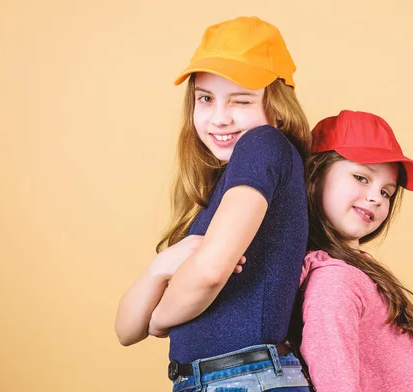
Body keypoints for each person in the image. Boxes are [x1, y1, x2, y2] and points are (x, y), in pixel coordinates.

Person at [115, 16, 312, 391]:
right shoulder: (225, 184)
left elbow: (207, 274)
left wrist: (158, 319)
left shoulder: (263, 144)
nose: (219, 118)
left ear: (278, 108)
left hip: (243, 378)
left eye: (241, 100)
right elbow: (125, 330)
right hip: (228, 379)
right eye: (205, 98)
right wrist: (159, 269)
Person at [291, 110, 413, 391]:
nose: (375, 198)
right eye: (361, 177)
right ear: (314, 177)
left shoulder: (356, 274)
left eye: (386, 192)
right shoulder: (335, 282)